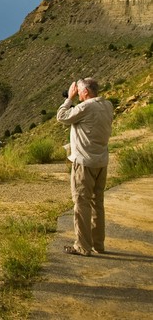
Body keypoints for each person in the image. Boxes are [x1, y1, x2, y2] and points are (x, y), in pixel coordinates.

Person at [57, 78, 114, 256]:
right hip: (101, 162)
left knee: (81, 203)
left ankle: (82, 245)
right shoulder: (107, 105)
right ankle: (98, 244)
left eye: (79, 91)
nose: (78, 93)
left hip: (84, 164)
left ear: (86, 93)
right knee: (98, 203)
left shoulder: (86, 107)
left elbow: (62, 117)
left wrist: (69, 98)